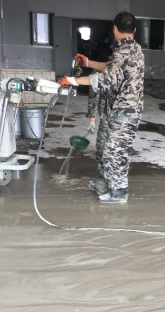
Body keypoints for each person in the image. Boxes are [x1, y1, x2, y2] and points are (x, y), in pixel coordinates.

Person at [59, 12, 144, 204]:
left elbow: (107, 78)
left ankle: (120, 193)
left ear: (114, 28)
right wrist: (88, 62)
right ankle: (102, 184)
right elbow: (112, 67)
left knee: (116, 152)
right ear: (135, 30)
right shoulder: (133, 48)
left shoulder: (124, 50)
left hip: (125, 111)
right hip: (117, 110)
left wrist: (73, 80)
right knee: (105, 147)